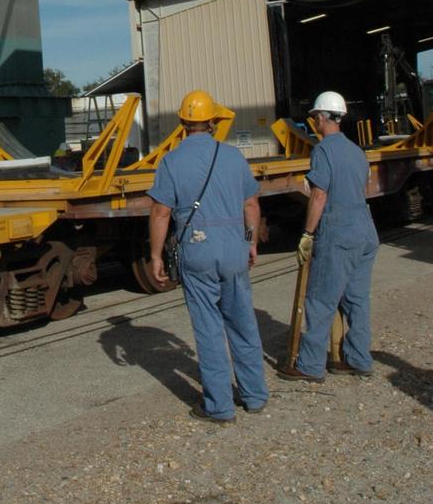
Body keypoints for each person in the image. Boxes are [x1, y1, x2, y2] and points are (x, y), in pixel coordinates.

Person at [148, 89, 269, 424]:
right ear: (213, 121)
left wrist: (156, 255)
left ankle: (219, 407)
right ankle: (255, 395)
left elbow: (161, 212)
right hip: (234, 248)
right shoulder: (232, 158)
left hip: (197, 249)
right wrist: (249, 242)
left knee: (209, 329)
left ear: (183, 123)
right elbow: (251, 205)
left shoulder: (171, 161)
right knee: (243, 323)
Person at [279, 90, 378, 383]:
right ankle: (359, 358)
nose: (313, 122)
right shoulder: (356, 150)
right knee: (357, 300)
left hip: (339, 233)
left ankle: (309, 365)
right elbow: (364, 188)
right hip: (365, 230)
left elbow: (319, 195)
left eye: (314, 117)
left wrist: (308, 233)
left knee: (320, 299)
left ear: (322, 118)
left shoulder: (323, 151)